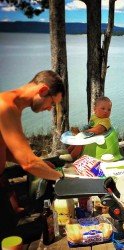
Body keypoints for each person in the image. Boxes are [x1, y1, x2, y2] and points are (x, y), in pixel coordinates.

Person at [0, 70, 65, 240]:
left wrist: (41, 164)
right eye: (52, 102)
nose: (49, 109)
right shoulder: (6, 107)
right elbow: (28, 163)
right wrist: (61, 177)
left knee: (10, 235)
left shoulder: (11, 106)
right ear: (43, 90)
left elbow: (7, 152)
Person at [59, 96, 112, 162]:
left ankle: (72, 156)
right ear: (95, 109)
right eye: (103, 108)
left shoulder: (106, 121)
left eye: (109, 109)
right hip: (92, 135)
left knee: (81, 142)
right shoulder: (94, 117)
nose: (106, 111)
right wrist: (82, 129)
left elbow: (98, 130)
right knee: (77, 139)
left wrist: (85, 131)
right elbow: (90, 125)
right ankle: (67, 151)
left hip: (99, 137)